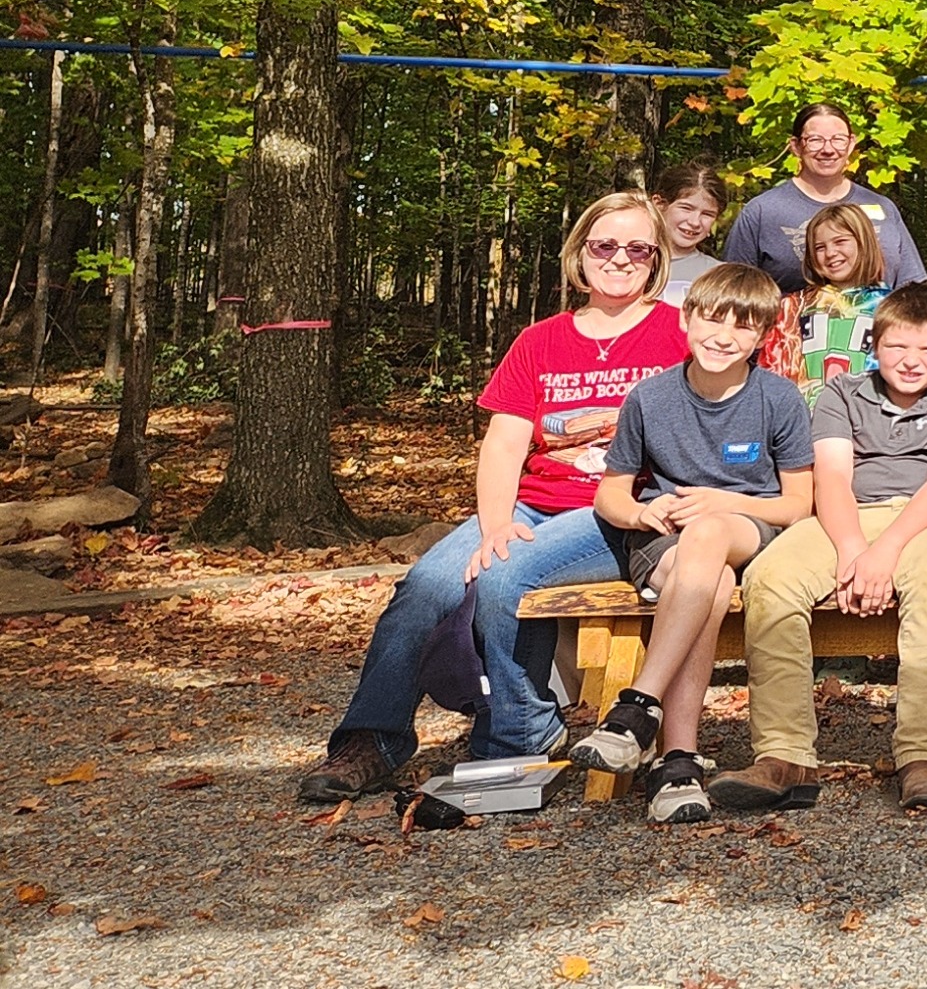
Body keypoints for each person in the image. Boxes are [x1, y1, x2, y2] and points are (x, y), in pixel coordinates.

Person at [295, 192, 691, 803]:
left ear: (657, 258)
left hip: (619, 510)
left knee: (509, 575)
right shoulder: (540, 340)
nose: (619, 259)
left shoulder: (679, 332)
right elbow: (505, 446)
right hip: (534, 504)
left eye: (637, 247)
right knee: (425, 584)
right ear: (579, 253)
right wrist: (495, 523)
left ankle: (518, 738)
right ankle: (372, 740)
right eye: (604, 245)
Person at [717, 283, 927, 814]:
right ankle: (785, 753)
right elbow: (834, 477)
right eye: (897, 348)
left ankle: (921, 756)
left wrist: (883, 554)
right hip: (849, 514)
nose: (911, 362)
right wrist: (849, 551)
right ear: (875, 344)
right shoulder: (842, 393)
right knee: (771, 579)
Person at [566, 264, 816, 825]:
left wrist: (723, 503)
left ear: (763, 337)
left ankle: (637, 706)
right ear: (686, 318)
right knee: (713, 580)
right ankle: (676, 760)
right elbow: (611, 495)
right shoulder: (650, 398)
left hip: (752, 528)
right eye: (712, 319)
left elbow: (799, 504)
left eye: (743, 327)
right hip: (667, 542)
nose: (724, 336)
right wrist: (639, 509)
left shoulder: (779, 398)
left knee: (710, 536)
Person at [723, 103, 927, 293]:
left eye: (838, 140)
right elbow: (733, 291)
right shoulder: (762, 212)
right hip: (792, 331)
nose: (828, 150)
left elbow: (912, 290)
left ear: (851, 144)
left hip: (880, 330)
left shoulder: (883, 208)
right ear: (795, 146)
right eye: (815, 140)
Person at [760, 201, 888, 389]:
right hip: (804, 413)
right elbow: (773, 370)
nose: (830, 253)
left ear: (864, 243)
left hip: (868, 414)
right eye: (820, 247)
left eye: (840, 242)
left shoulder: (892, 306)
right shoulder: (793, 307)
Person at [657, 162, 727, 305]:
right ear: (659, 205)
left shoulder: (721, 276)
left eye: (707, 214)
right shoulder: (629, 262)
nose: (695, 222)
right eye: (686, 208)